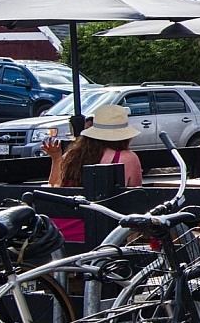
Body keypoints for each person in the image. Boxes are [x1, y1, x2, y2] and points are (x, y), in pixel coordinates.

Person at [43, 104, 143, 244]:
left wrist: (56, 159)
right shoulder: (127, 158)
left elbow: (54, 185)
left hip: (57, 233)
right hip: (98, 235)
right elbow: (136, 203)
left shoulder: (73, 155)